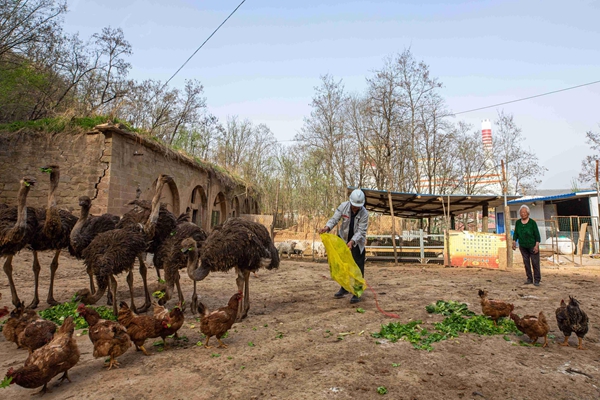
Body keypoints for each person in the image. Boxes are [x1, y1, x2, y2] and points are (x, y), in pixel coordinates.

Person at [318, 188, 369, 304]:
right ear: (350, 202)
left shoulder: (364, 214)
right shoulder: (343, 206)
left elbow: (361, 231)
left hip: (356, 242)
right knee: (343, 265)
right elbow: (334, 219)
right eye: (354, 205)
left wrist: (352, 242)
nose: (355, 208)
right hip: (343, 239)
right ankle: (344, 288)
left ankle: (357, 292)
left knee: (357, 266)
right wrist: (327, 227)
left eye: (358, 206)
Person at [512, 204, 541, 286]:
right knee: (526, 263)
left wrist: (536, 245)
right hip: (523, 246)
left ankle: (537, 280)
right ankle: (529, 278)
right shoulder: (518, 223)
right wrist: (514, 241)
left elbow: (537, 235)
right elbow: (516, 233)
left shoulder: (532, 223)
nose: (523, 214)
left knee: (535, 263)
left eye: (524, 212)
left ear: (528, 213)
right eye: (521, 212)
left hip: (532, 245)